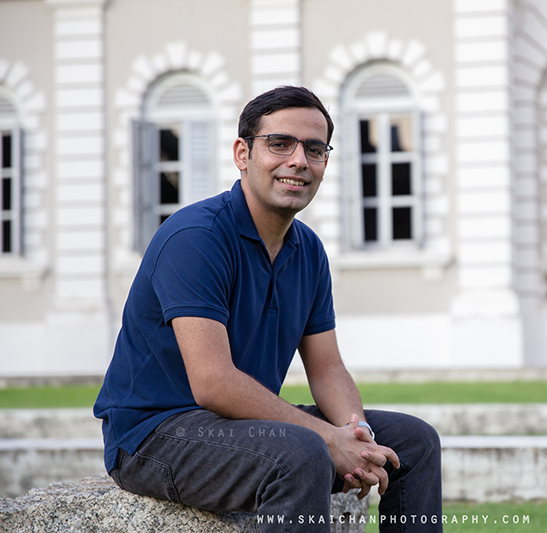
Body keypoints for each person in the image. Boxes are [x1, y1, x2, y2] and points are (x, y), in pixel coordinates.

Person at [94, 86, 443, 531]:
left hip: (237, 427)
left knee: (414, 442)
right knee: (301, 455)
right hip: (154, 434)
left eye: (314, 149)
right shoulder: (196, 237)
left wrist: (358, 437)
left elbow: (327, 368)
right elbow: (213, 382)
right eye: (280, 144)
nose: (299, 160)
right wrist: (326, 438)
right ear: (242, 153)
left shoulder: (308, 250)